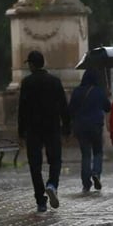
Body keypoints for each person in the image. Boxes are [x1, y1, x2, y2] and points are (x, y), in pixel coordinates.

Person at [18, 50, 70, 212]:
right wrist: (67, 127)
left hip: (33, 129)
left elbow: (22, 108)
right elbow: (63, 105)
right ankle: (52, 184)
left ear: (32, 65)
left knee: (35, 165)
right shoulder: (55, 82)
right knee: (55, 160)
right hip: (52, 127)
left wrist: (21, 131)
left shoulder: (27, 83)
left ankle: (40, 200)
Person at [68, 69, 111, 192]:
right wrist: (107, 96)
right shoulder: (99, 92)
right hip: (96, 126)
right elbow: (108, 108)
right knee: (98, 152)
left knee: (86, 154)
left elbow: (70, 110)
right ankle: (96, 173)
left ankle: (86, 183)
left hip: (81, 127)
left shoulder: (76, 91)